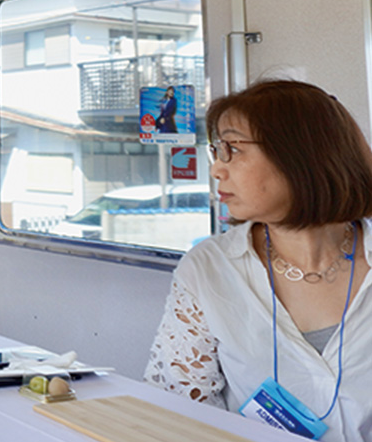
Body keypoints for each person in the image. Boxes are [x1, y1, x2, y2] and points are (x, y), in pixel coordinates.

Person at [144, 80, 372, 442]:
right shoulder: (208, 269)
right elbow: (181, 411)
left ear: (302, 154)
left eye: (233, 149)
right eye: (217, 151)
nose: (218, 168)